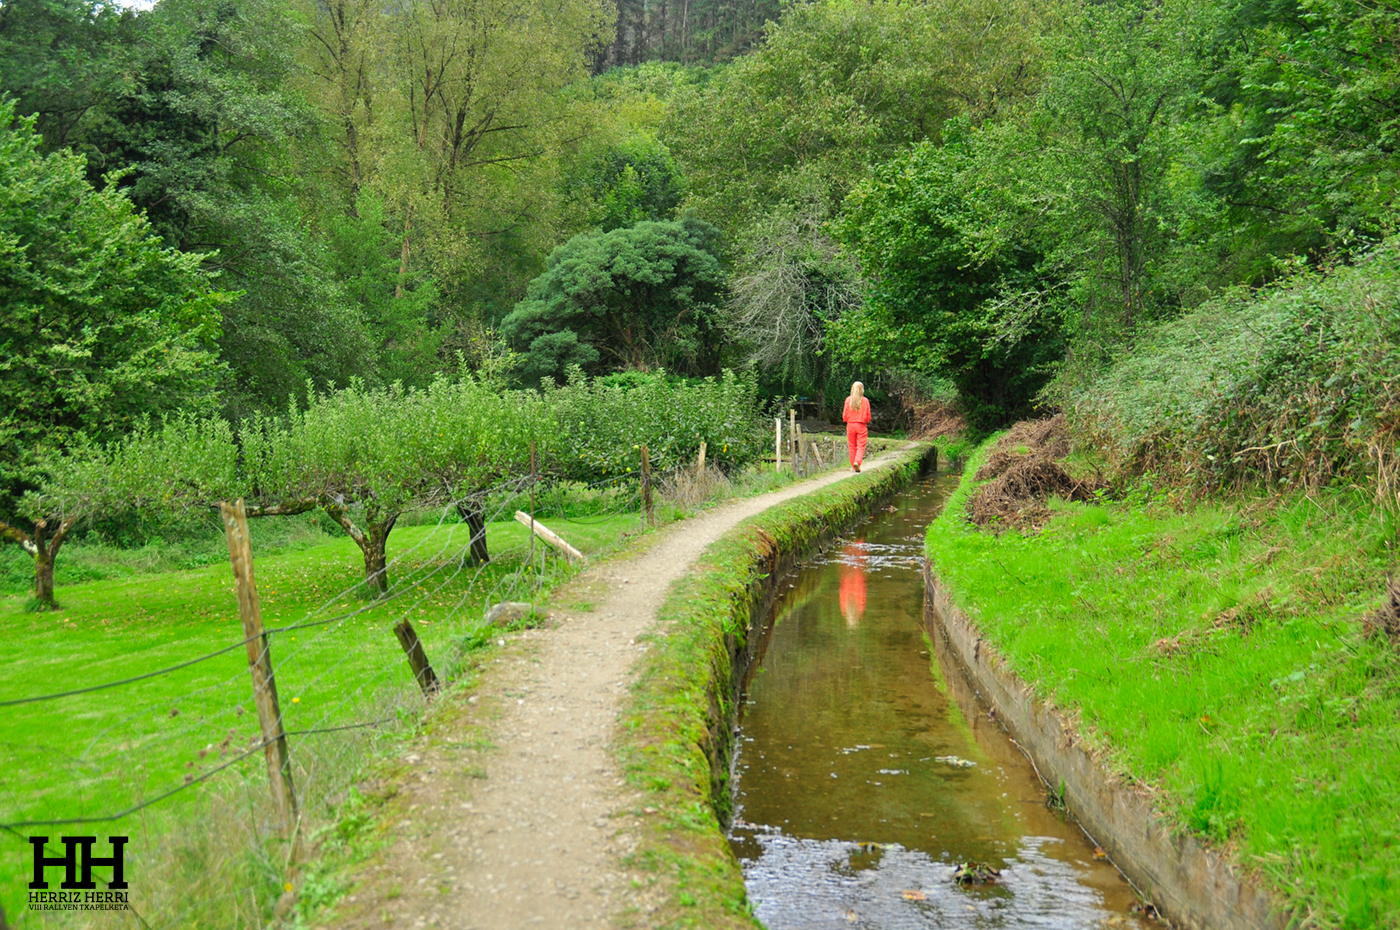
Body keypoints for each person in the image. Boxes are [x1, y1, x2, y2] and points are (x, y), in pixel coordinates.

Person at [842, 381, 871, 472]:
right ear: (862, 390)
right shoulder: (865, 400)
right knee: (861, 445)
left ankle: (854, 466)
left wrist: (848, 420)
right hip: (861, 425)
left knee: (851, 446)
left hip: (850, 425)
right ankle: (857, 461)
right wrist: (866, 421)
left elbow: (844, 415)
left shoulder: (848, 400)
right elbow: (868, 416)